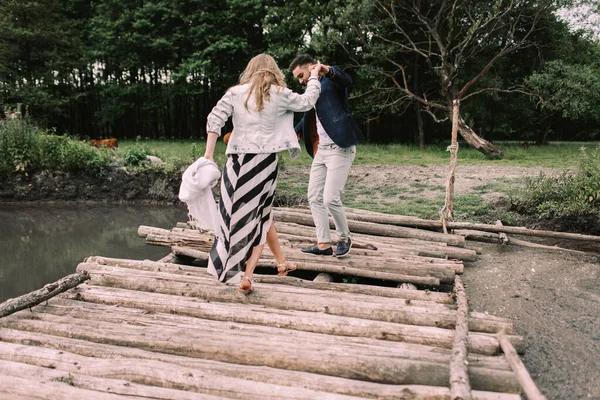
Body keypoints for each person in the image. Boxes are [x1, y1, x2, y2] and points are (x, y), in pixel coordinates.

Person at [203, 53, 323, 294]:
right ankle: (248, 275)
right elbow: (307, 102)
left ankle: (235, 267)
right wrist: (314, 77)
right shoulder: (279, 94)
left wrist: (208, 155)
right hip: (265, 163)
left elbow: (214, 118)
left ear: (250, 69)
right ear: (273, 70)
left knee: (231, 215)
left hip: (236, 162)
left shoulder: (235, 93)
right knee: (261, 216)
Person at [289, 54, 364, 257]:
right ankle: (323, 243)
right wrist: (296, 131)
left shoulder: (331, 80)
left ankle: (344, 237)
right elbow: (312, 114)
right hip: (321, 151)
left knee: (331, 198)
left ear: (312, 67)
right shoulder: (311, 87)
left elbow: (346, 80)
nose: (301, 80)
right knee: (314, 196)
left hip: (340, 148)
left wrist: (328, 70)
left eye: (301, 75)